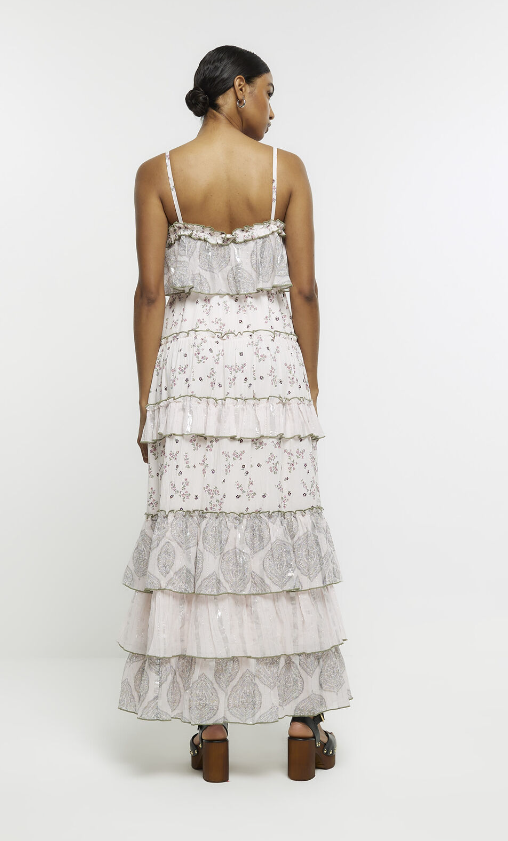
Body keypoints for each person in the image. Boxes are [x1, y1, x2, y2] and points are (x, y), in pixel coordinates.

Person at [117, 45, 351, 782]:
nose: (274, 110)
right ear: (238, 89)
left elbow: (150, 294)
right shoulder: (287, 171)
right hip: (269, 371)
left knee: (200, 539)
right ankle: (303, 724)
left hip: (190, 374)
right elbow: (305, 290)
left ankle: (213, 729)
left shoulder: (158, 175)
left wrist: (148, 400)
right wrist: (308, 384)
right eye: (269, 93)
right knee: (284, 539)